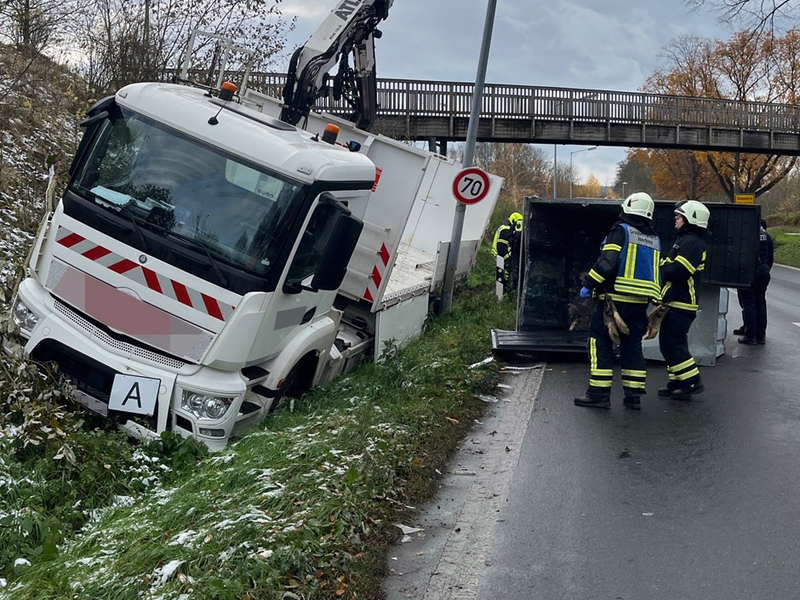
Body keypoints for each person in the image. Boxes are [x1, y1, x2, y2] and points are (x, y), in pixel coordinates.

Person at [574, 192, 662, 410]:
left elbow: (607, 262)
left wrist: (588, 284)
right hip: (640, 303)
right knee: (632, 345)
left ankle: (598, 394)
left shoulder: (620, 231)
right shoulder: (653, 238)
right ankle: (633, 397)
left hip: (614, 301)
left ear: (627, 209)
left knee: (600, 342)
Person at [657, 200, 709, 401]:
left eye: (679, 216)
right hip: (676, 302)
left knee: (671, 345)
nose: (675, 220)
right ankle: (678, 380)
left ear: (690, 219)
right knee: (674, 344)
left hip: (682, 303)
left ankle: (692, 381)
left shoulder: (692, 243)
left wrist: (658, 270)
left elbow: (680, 270)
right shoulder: (686, 240)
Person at [734, 219, 774, 345]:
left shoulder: (746, 234)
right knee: (760, 302)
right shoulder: (767, 237)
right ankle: (760, 335)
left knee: (748, 303)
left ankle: (750, 335)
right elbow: (770, 259)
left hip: (749, 272)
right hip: (763, 272)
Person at [492, 211, 523, 291]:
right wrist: (507, 258)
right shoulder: (505, 230)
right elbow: (502, 246)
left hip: (498, 254)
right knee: (505, 274)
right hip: (502, 255)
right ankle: (505, 291)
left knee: (503, 275)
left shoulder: (503, 228)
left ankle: (504, 291)